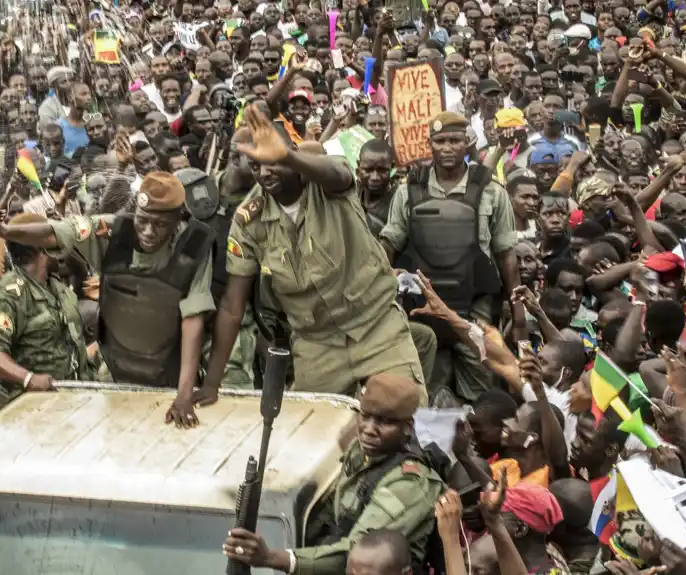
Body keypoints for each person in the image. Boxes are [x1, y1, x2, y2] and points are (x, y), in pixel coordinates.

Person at [204, 105, 425, 404]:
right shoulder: (248, 220)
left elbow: (336, 173)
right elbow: (232, 305)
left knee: (403, 415)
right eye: (256, 166)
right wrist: (211, 384)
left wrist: (288, 156)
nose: (265, 173)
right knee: (312, 436)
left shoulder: (326, 182)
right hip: (316, 343)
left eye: (273, 162)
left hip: (377, 327)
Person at [0, 172, 215, 427]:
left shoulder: (193, 247)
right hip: (116, 378)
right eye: (142, 221)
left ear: (178, 219)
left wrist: (184, 394)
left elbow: (193, 318)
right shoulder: (114, 230)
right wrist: (5, 231)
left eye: (160, 224)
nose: (149, 231)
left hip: (170, 378)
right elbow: (56, 232)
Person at [222, 374, 444, 573]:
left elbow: (357, 556)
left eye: (384, 422)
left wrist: (275, 558)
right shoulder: (363, 453)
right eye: (365, 416)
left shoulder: (410, 484)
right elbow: (334, 514)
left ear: (407, 426)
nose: (368, 429)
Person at [381, 111, 522, 404]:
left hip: (474, 309)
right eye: (441, 141)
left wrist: (517, 308)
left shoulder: (491, 193)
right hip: (421, 306)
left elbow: (506, 255)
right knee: (420, 392)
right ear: (429, 144)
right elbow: (389, 247)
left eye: (455, 141)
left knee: (482, 392)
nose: (448, 148)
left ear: (468, 142)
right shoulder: (408, 191)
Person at [0, 212, 93, 407]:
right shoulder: (10, 294)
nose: (61, 247)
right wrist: (27, 378)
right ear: (43, 248)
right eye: (55, 240)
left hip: (68, 399)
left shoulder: (55, 286)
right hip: (29, 409)